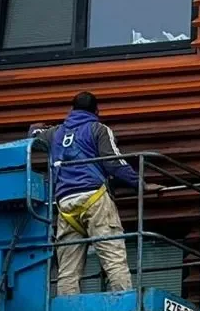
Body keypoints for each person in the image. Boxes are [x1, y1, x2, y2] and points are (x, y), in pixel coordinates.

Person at [43, 91, 141, 294]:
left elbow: (33, 135)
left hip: (65, 204)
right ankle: (123, 304)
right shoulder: (98, 129)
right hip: (94, 198)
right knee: (113, 258)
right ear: (97, 111)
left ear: (72, 110)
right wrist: (140, 183)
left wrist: (36, 128)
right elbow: (114, 163)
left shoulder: (55, 133)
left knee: (68, 270)